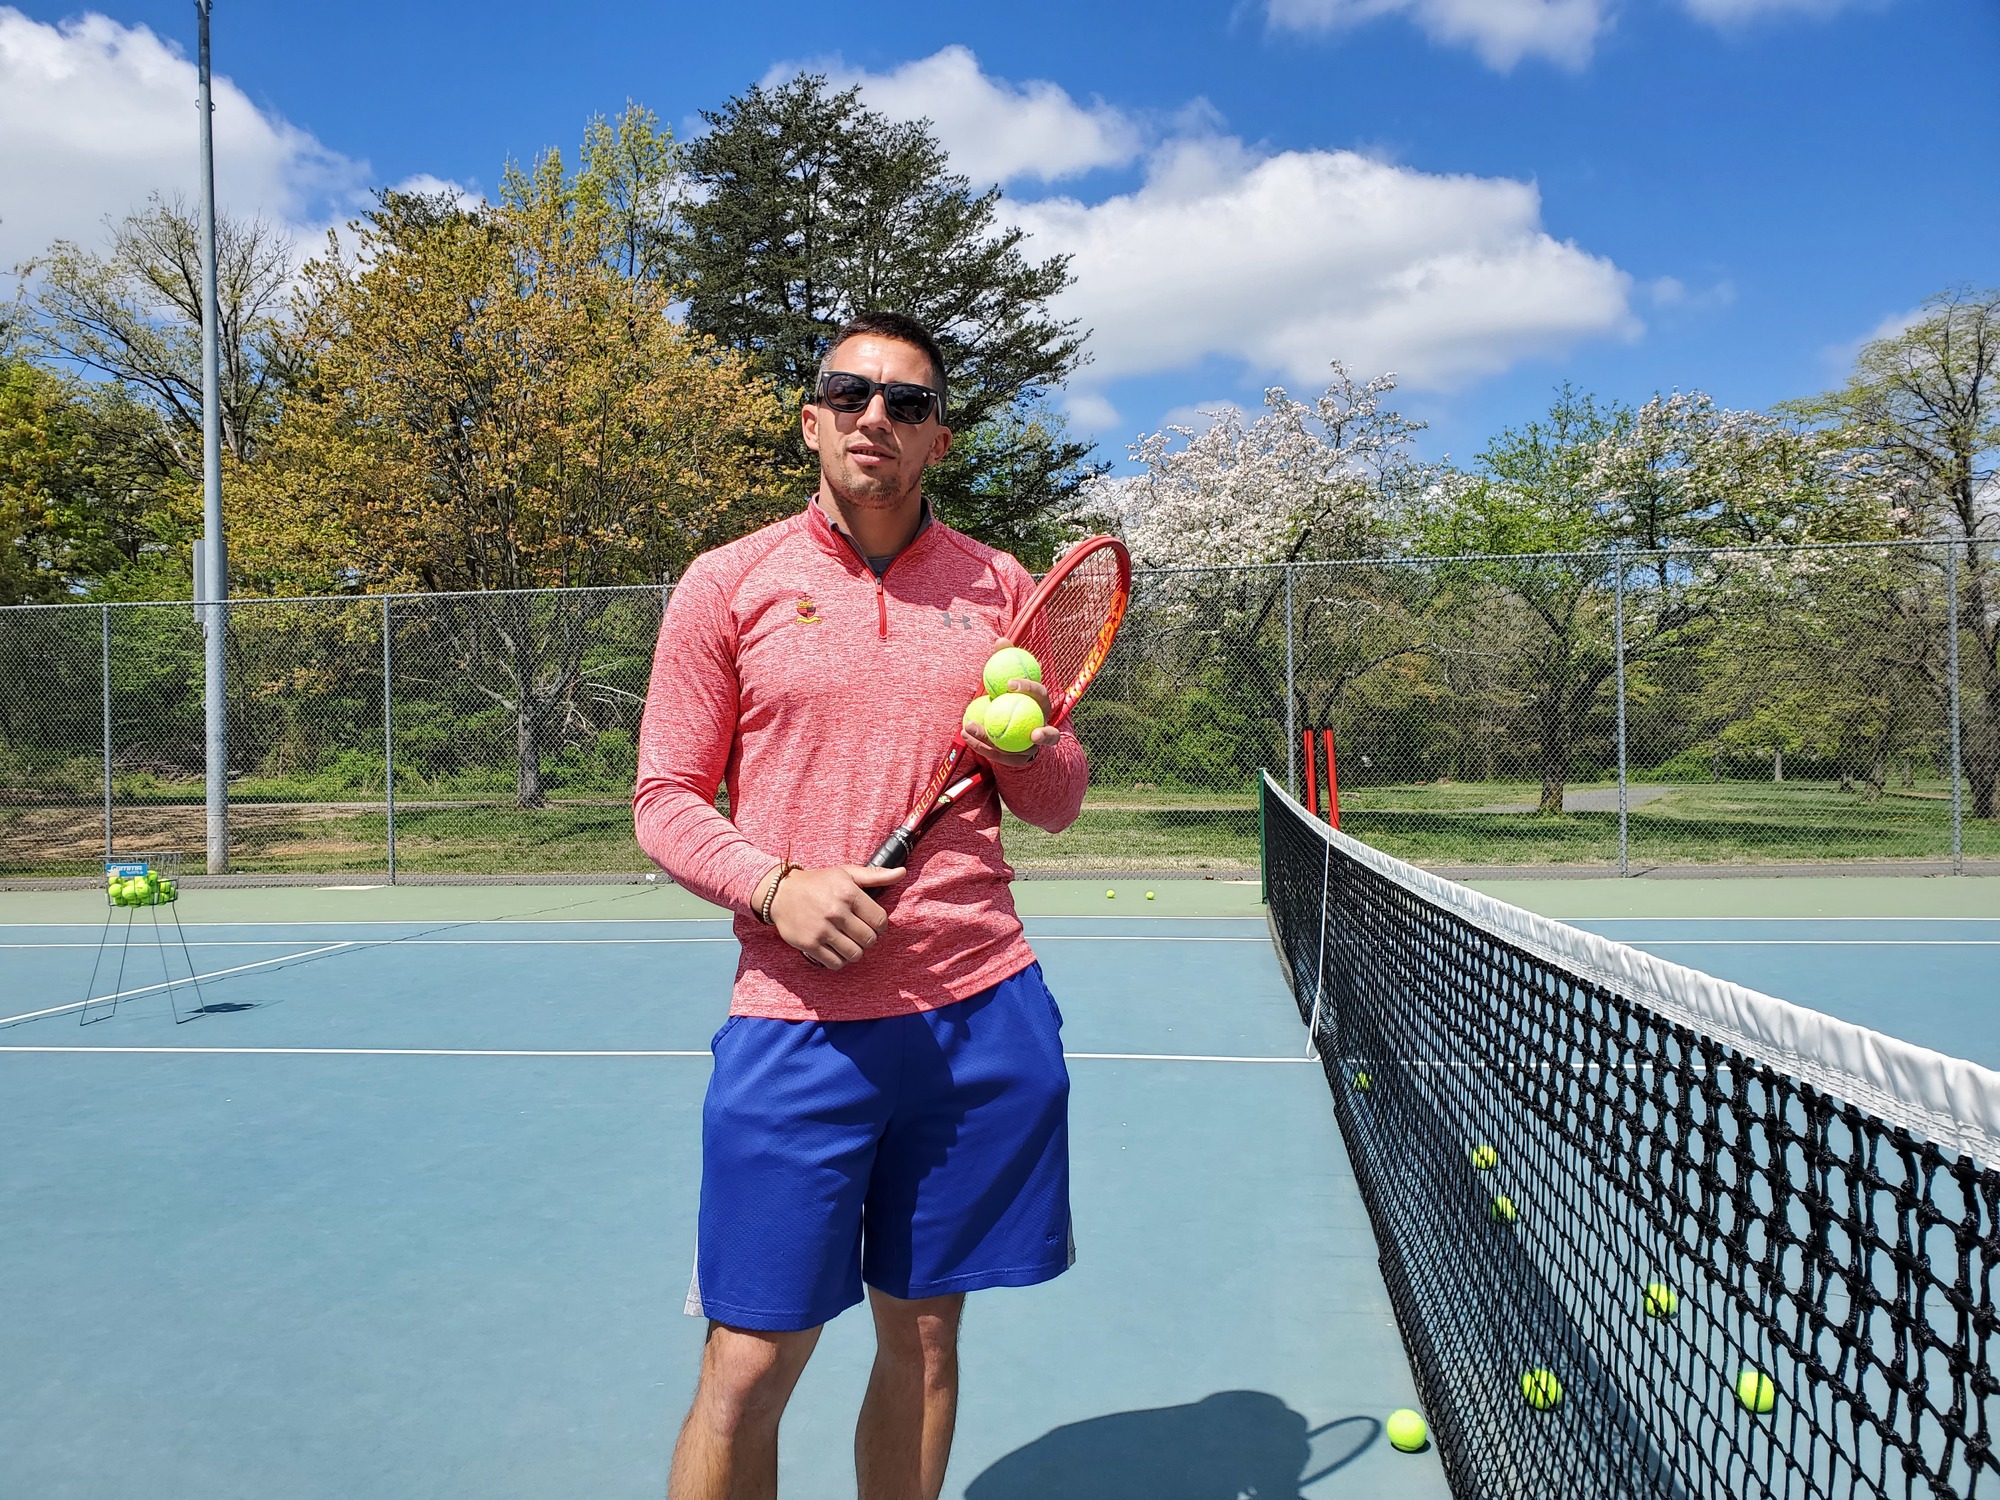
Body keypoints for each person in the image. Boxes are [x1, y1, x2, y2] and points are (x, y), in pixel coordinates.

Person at [634, 310, 1087, 1500]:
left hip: (978, 1014)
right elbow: (662, 798)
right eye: (848, 393)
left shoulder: (1002, 590)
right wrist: (774, 887)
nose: (874, 416)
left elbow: (1056, 800)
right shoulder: (727, 584)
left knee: (925, 1340)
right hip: (794, 1027)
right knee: (748, 1361)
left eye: (907, 402)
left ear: (939, 438)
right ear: (810, 423)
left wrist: (1028, 744)